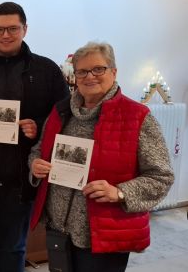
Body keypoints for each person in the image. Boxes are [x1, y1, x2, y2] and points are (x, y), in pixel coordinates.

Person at [29, 42, 174, 271]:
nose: (90, 77)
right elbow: (39, 150)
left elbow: (161, 177)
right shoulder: (61, 111)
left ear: (113, 72)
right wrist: (35, 165)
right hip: (59, 229)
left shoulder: (137, 117)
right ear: (75, 75)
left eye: (98, 69)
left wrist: (120, 192)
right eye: (82, 71)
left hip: (105, 234)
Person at [0, 1, 69, 272]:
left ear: (25, 29)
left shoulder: (46, 70)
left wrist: (39, 126)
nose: (6, 35)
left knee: (14, 246)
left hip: (20, 180)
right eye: (0, 29)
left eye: (13, 28)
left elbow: (64, 116)